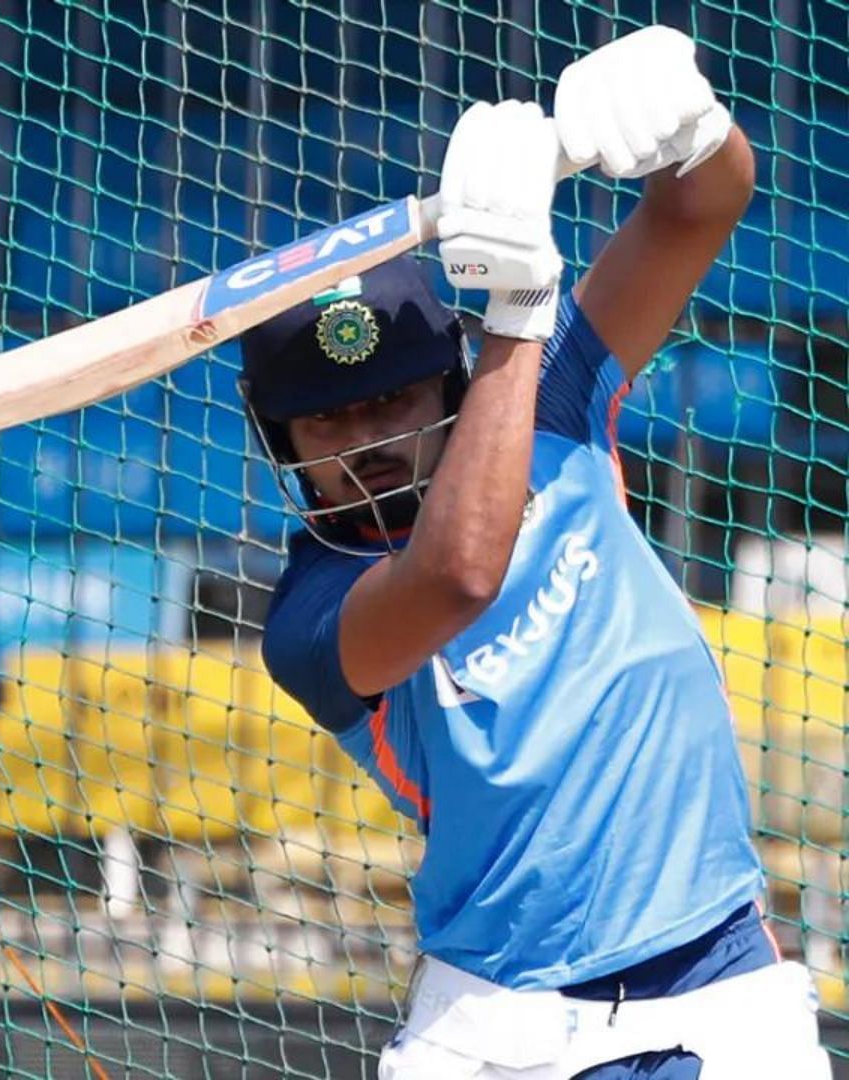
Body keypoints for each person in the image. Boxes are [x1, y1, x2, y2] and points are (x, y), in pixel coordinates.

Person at [240, 27, 830, 1079]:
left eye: (392, 401)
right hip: (498, 1026)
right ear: (279, 443)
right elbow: (457, 575)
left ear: (451, 385)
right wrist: (520, 305)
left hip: (722, 984)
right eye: (325, 423)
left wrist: (693, 128)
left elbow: (705, 203)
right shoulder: (311, 613)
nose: (366, 443)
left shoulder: (554, 401)